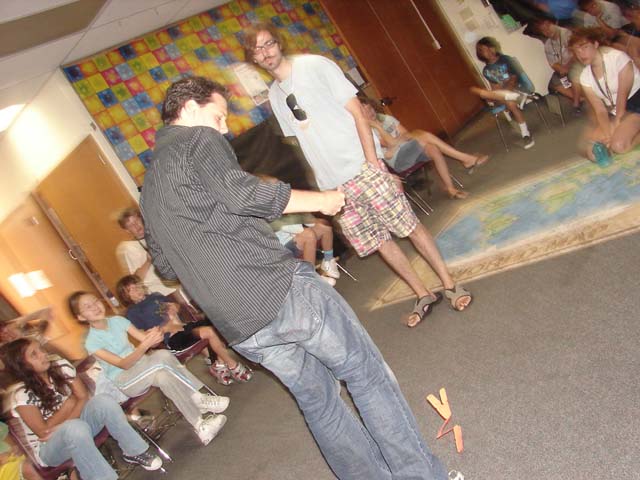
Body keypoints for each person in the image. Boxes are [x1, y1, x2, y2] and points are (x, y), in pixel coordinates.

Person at [140, 75, 450, 479]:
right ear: (190, 108)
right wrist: (324, 199)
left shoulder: (149, 190)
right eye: (219, 116)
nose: (224, 127)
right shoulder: (198, 139)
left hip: (241, 326)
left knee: (320, 403)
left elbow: (165, 266)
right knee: (365, 374)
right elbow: (243, 194)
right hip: (279, 290)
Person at [244, 23, 472, 327]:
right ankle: (423, 293)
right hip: (335, 188)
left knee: (410, 227)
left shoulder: (314, 65)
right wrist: (323, 188)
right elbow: (304, 140)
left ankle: (450, 284)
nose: (265, 52)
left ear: (278, 43)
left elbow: (356, 112)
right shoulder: (275, 95)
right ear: (253, 58)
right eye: (257, 49)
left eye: (268, 44)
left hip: (363, 168)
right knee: (379, 242)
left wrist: (373, 161)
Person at [68, 291, 228, 445]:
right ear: (81, 317)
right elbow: (123, 364)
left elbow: (145, 339)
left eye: (95, 301)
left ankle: (200, 425)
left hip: (146, 367)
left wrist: (155, 334)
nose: (95, 307)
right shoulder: (91, 342)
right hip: (126, 380)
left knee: (164, 377)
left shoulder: (117, 321)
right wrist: (144, 345)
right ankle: (197, 396)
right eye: (87, 306)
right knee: (162, 356)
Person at [0, 338, 163, 479]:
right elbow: (43, 433)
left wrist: (67, 420)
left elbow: (83, 397)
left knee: (103, 402)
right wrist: (70, 403)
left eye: (41, 349)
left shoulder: (60, 366)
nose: (43, 354)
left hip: (78, 427)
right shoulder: (21, 395)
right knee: (74, 428)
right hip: (49, 450)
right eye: (34, 355)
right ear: (22, 366)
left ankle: (134, 451)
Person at [116, 275, 253, 385]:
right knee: (209, 332)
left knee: (215, 324)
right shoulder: (133, 312)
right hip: (171, 339)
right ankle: (232, 366)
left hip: (183, 328)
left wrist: (175, 307)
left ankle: (219, 364)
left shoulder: (155, 296)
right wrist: (165, 327)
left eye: (137, 286)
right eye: (131, 290)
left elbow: (175, 306)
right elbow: (143, 336)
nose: (137, 290)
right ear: (126, 296)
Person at [359, 96, 489, 198]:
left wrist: (397, 141)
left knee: (432, 148)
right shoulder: (368, 131)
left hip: (410, 149)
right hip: (399, 161)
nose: (370, 113)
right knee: (422, 134)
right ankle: (466, 159)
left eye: (370, 109)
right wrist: (378, 127)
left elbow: (406, 134)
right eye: (366, 112)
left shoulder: (386, 118)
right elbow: (390, 144)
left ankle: (451, 189)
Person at [570, 27, 640, 157]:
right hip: (614, 109)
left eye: (584, 47)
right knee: (592, 151)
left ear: (596, 44)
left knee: (618, 146)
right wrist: (607, 133)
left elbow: (622, 98)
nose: (581, 54)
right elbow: (600, 110)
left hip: (635, 103)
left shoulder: (617, 58)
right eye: (576, 51)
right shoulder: (585, 76)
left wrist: (616, 126)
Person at [470, 36, 537, 149]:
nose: (488, 51)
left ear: (494, 47)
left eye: (489, 48)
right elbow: (495, 87)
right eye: (484, 50)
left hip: (520, 89)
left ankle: (526, 134)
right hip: (505, 95)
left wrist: (503, 93)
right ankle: (525, 134)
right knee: (506, 100)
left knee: (507, 100)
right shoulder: (486, 70)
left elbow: (513, 79)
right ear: (480, 54)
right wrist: (498, 96)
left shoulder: (506, 60)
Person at [116, 208, 186, 302]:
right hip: (163, 292)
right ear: (127, 230)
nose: (136, 226)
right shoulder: (129, 248)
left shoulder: (156, 234)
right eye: (131, 225)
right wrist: (148, 261)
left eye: (136, 220)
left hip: (182, 281)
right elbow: (136, 280)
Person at [534, 17, 584, 113]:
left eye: (548, 27)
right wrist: (561, 69)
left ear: (554, 24)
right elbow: (552, 64)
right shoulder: (548, 45)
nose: (547, 31)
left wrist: (567, 67)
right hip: (564, 68)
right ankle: (579, 98)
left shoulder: (567, 34)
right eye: (543, 30)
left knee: (573, 73)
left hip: (577, 62)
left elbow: (576, 53)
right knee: (554, 82)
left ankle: (576, 103)